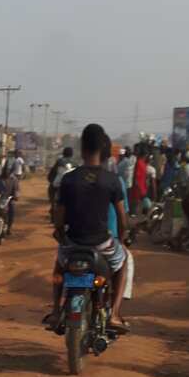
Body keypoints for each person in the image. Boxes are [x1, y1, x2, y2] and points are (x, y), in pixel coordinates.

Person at [48, 121, 130, 331]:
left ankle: (56, 311)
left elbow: (59, 216)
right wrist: (122, 239)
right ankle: (114, 314)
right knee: (124, 262)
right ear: (102, 149)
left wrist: (59, 232)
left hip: (73, 244)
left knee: (59, 267)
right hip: (102, 244)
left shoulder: (69, 179)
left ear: (82, 148)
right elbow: (122, 218)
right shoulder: (111, 180)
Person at [0, 161, 20, 235]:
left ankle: (9, 228)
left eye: (8, 170)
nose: (6, 172)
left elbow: (17, 189)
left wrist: (16, 196)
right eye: (5, 170)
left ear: (10, 171)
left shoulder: (14, 179)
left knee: (12, 210)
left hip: (9, 199)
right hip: (0, 199)